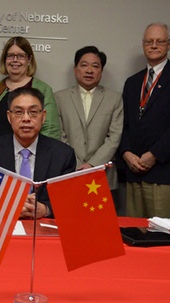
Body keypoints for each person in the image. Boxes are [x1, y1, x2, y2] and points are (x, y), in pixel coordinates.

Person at [119, 23, 170, 218]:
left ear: (169, 44)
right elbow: (124, 123)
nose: (154, 45)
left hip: (163, 170)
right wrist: (126, 153)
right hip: (133, 170)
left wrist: (154, 154)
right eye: (149, 41)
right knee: (134, 233)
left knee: (161, 235)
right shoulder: (132, 82)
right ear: (143, 44)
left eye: (159, 41)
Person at [0, 87, 76, 219]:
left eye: (33, 112)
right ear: (9, 117)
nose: (26, 118)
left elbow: (69, 200)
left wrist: (46, 209)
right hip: (2, 226)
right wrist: (10, 206)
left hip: (43, 228)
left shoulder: (63, 154)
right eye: (18, 112)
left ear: (43, 116)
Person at [55, 45, 123, 193]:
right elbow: (59, 134)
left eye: (95, 66)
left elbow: (114, 137)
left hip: (102, 174)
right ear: (75, 69)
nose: (89, 70)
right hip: (69, 172)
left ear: (101, 71)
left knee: (102, 217)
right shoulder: (59, 98)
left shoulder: (115, 98)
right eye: (84, 65)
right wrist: (76, 164)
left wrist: (92, 165)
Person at [0, 36, 60, 140]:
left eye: (21, 56)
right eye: (10, 56)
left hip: (29, 155)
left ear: (29, 60)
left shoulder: (43, 89)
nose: (15, 60)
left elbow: (51, 131)